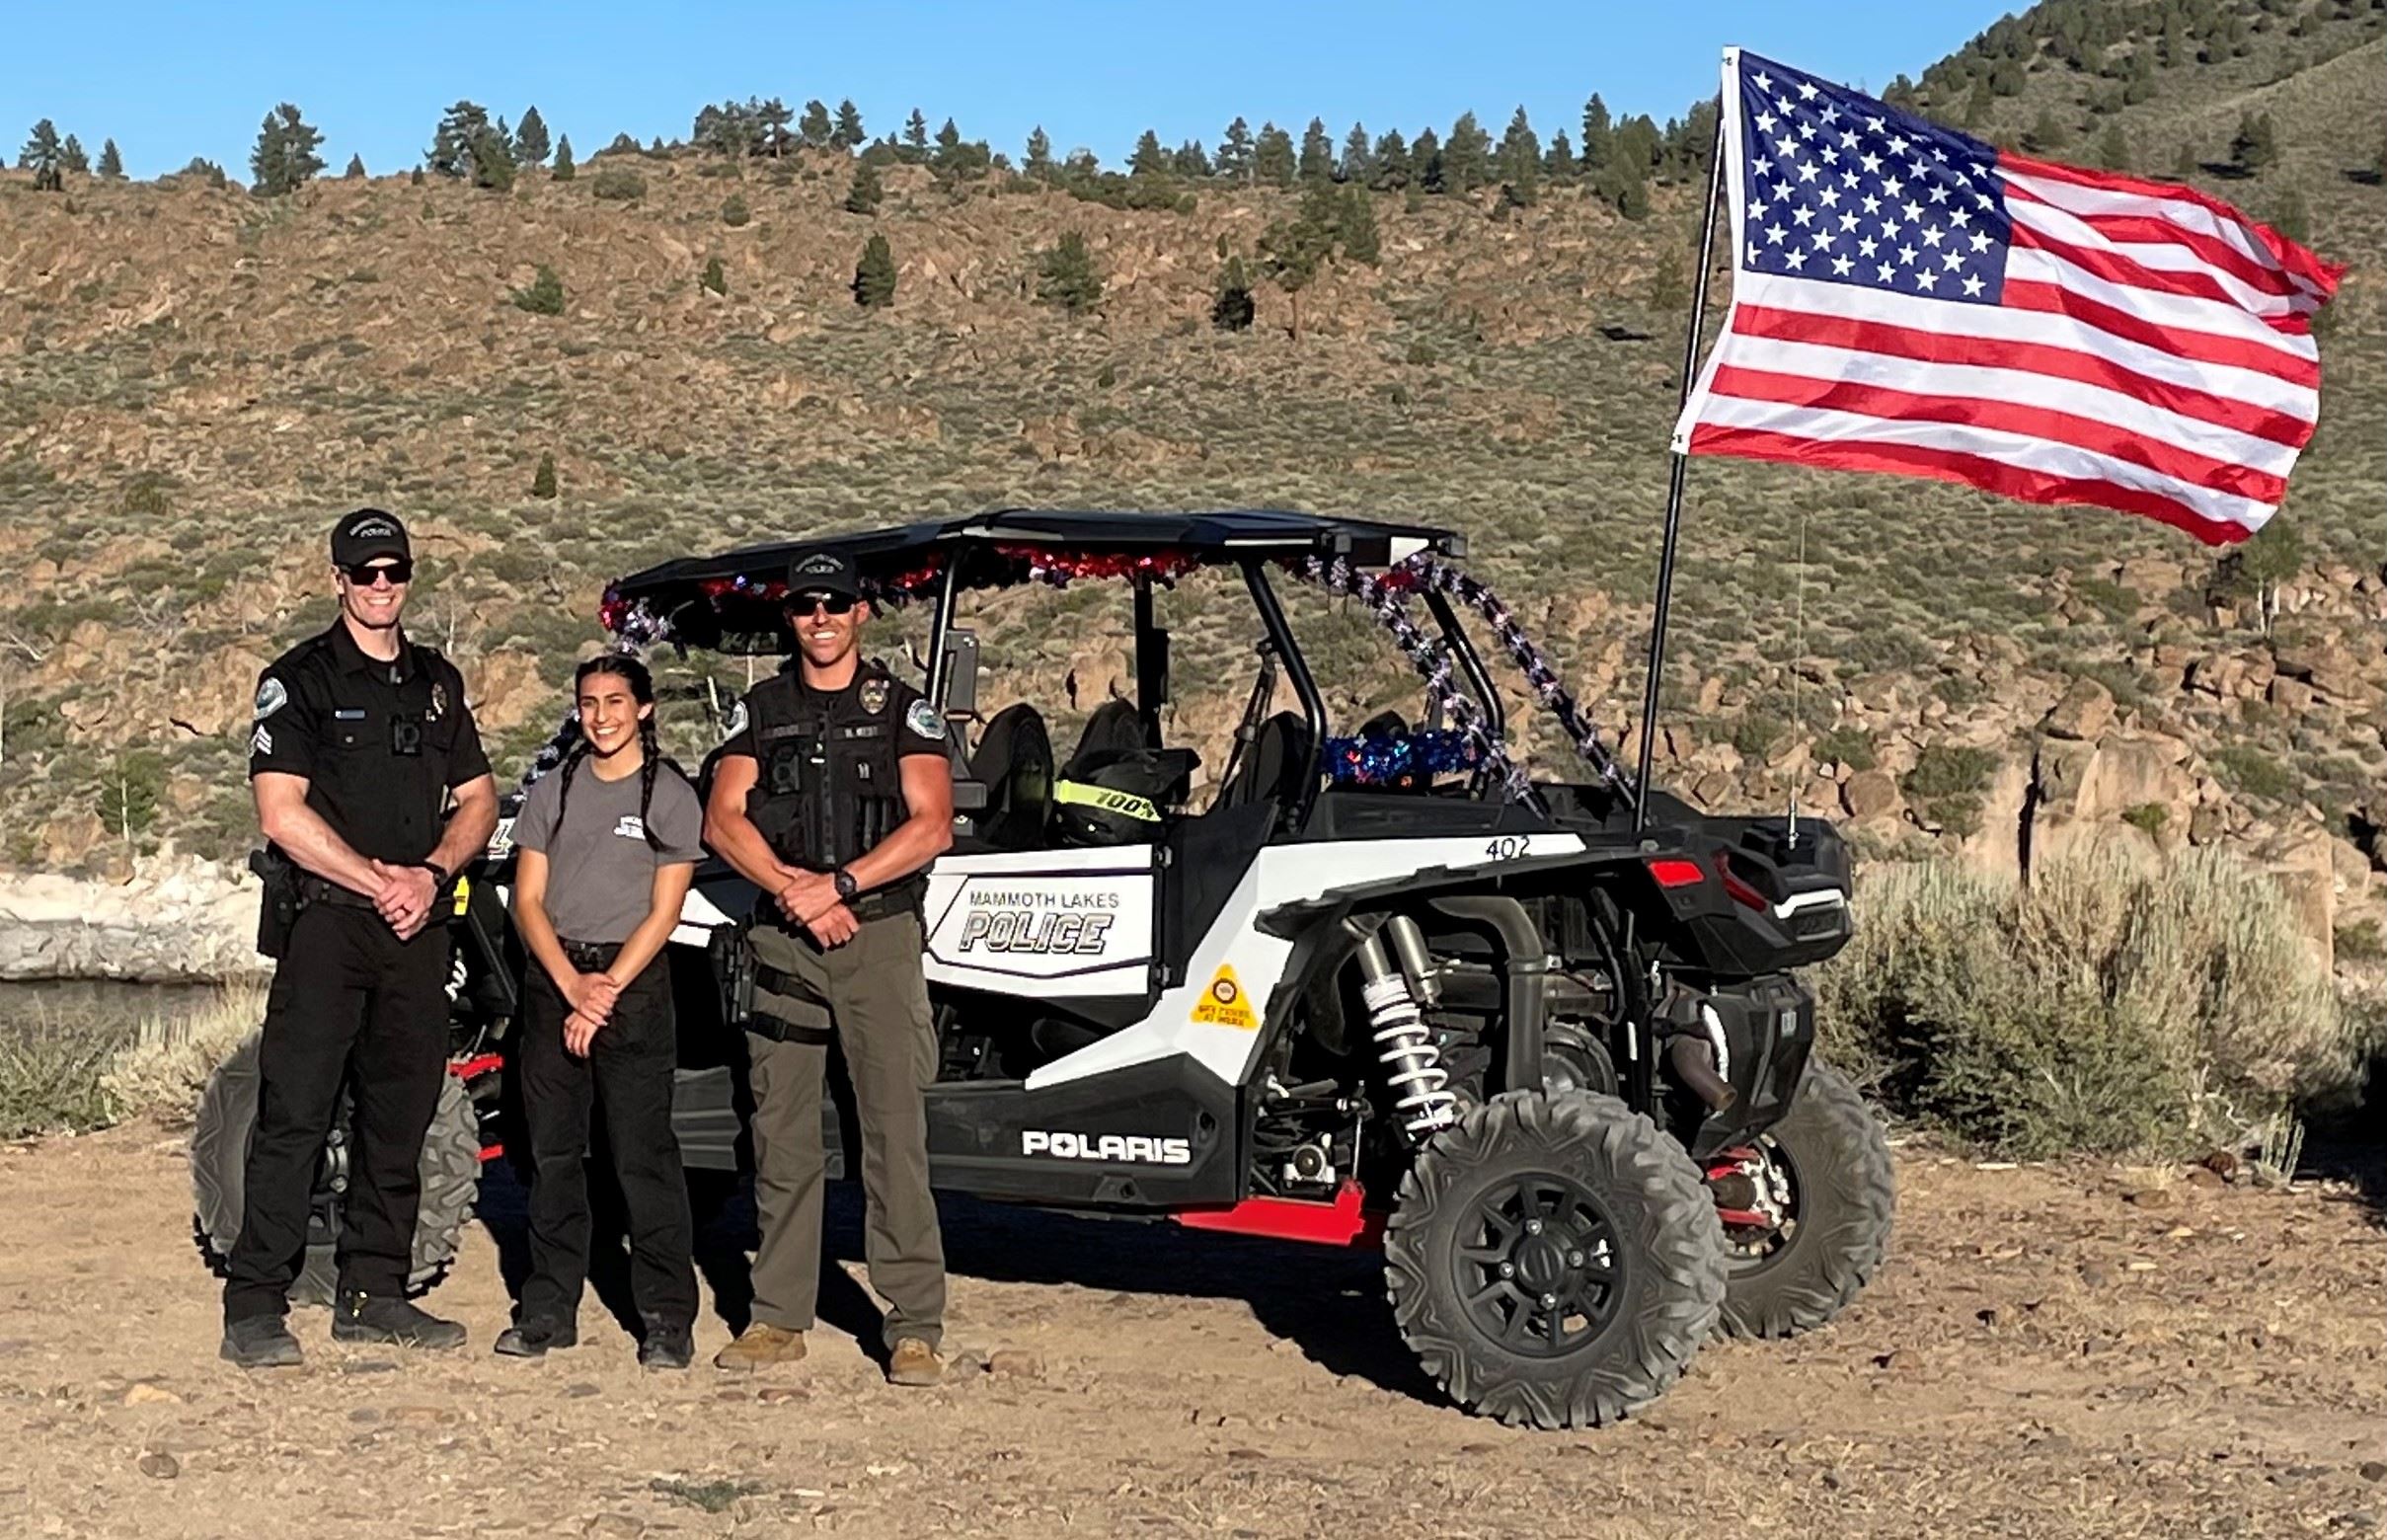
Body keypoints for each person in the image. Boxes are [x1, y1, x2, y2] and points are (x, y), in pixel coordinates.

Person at [222, 508, 499, 1368]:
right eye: (365, 573)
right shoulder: (298, 680)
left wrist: (432, 874)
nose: (382, 588)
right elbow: (281, 811)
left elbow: (479, 800)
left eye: (395, 572)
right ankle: (257, 1303)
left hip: (418, 927)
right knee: (295, 1113)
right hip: (330, 928)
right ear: (338, 579)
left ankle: (374, 1293)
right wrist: (380, 879)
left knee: (400, 1115)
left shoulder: (438, 683)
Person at [701, 547, 954, 1386]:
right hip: (784, 941)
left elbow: (931, 825)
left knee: (892, 1135)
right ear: (790, 616)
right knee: (782, 1133)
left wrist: (841, 885)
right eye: (806, 606)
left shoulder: (902, 712)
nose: (820, 618)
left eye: (834, 605)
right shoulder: (760, 710)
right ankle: (777, 1316)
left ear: (860, 614)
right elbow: (723, 820)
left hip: (875, 938)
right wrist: (794, 890)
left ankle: (913, 1324)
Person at [497, 654, 704, 1370]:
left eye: (616, 701)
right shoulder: (552, 791)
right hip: (555, 975)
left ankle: (667, 1316)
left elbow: (665, 910)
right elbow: (527, 900)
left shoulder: (670, 795)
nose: (602, 716)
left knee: (641, 1154)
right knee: (552, 1154)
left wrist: (605, 988)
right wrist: (571, 985)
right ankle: (549, 1306)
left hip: (634, 983)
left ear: (644, 708)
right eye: (589, 702)